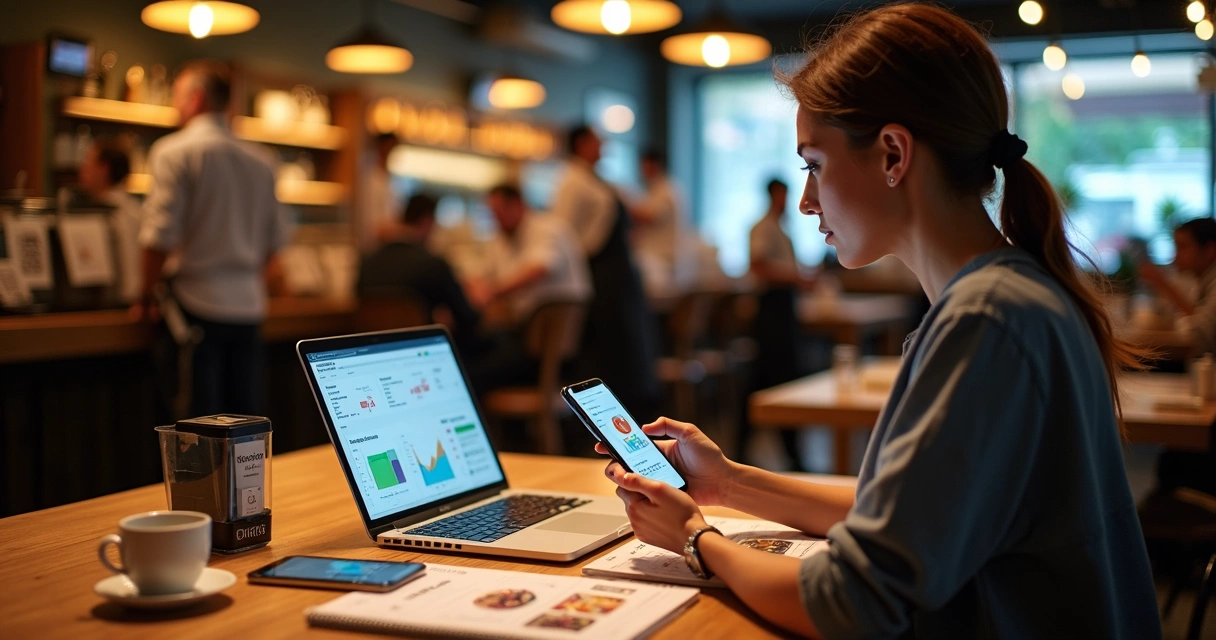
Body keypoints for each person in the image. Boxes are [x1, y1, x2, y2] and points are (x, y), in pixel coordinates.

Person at [597, 4, 1160, 638]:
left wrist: (695, 539)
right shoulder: (1009, 297)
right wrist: (727, 483)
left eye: (814, 164)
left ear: (893, 154)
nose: (808, 200)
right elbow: (893, 514)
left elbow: (852, 603)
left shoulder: (987, 321)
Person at [137, 60, 292, 418]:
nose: (176, 107)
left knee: (196, 431)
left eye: (178, 98)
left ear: (196, 98)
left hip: (194, 307)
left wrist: (144, 296)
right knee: (246, 426)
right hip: (249, 308)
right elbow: (276, 249)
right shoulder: (263, 161)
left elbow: (158, 237)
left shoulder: (174, 151)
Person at [552, 125, 661, 420]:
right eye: (596, 141)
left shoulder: (596, 179)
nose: (602, 146)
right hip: (600, 278)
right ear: (581, 144)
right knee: (610, 352)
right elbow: (565, 235)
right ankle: (608, 422)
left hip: (617, 276)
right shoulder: (571, 181)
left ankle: (633, 419)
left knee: (626, 350)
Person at [468, 184, 591, 393]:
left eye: (498, 213)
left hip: (546, 350)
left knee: (472, 371)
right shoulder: (503, 236)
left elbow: (540, 268)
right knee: (471, 353)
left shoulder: (547, 227)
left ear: (517, 205)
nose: (495, 220)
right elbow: (482, 273)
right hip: (522, 338)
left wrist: (493, 291)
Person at [742, 178, 815, 471]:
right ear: (773, 195)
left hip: (782, 308)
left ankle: (790, 454)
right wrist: (796, 278)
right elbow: (757, 265)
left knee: (770, 380)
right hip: (771, 309)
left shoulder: (780, 228)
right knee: (777, 379)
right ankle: (791, 456)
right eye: (783, 195)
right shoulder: (763, 228)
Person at [356, 193, 481, 350]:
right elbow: (467, 318)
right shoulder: (432, 263)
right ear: (427, 221)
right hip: (422, 352)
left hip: (372, 350)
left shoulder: (367, 261)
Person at [1139, 217, 1216, 356]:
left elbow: (1203, 334)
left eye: (1183, 247)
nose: (1175, 256)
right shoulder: (1197, 280)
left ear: (1210, 250)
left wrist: (1163, 285)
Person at [78, 139, 142, 303]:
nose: (82, 169)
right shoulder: (135, 209)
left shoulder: (111, 215)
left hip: (119, 306)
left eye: (87, 162)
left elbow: (129, 277)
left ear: (103, 169)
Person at [629, 148, 694, 299]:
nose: (642, 170)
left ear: (654, 165)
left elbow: (648, 217)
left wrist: (622, 203)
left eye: (644, 165)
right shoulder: (663, 188)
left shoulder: (665, 190)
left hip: (663, 264)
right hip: (666, 262)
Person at [357, 133, 404, 254]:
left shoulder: (392, 180)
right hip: (373, 250)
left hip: (387, 250)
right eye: (390, 148)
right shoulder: (369, 179)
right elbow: (372, 226)